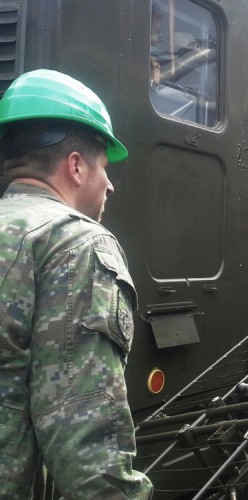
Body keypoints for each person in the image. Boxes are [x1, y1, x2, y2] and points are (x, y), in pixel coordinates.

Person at [0, 69, 152, 498]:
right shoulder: (73, 241)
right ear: (76, 166)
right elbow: (85, 444)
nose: (110, 183)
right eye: (105, 165)